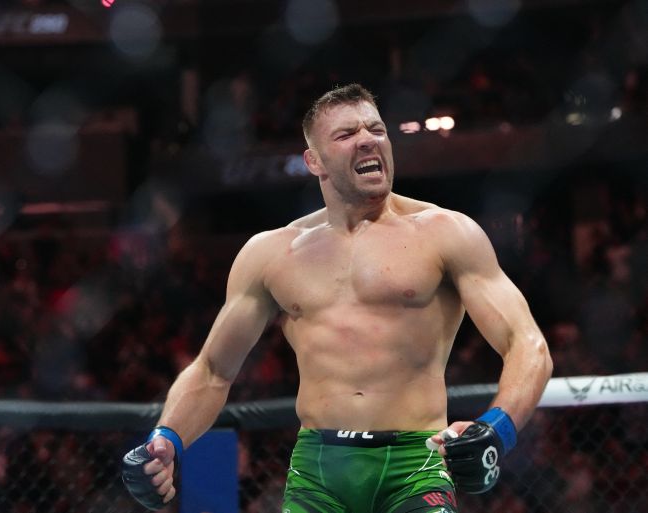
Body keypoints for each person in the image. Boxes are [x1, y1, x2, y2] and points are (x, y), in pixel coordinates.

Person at [122, 83, 553, 512]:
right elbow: (213, 370)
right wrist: (166, 438)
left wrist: (496, 429)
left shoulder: (446, 233)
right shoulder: (272, 253)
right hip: (319, 470)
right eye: (346, 134)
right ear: (314, 161)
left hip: (416, 462)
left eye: (376, 129)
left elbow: (528, 345)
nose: (367, 139)